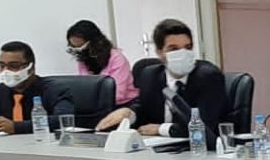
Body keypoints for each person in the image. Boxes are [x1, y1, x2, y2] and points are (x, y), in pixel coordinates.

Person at [96, 19, 226, 146]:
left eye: (187, 48)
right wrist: (129, 114)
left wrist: (161, 129)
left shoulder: (209, 76)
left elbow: (203, 127)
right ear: (159, 52)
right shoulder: (150, 75)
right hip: (158, 149)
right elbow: (143, 109)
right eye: (174, 49)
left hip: (199, 148)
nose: (183, 54)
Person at [0, 41, 74, 134]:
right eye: (2, 66)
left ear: (31, 68)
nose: (6, 71)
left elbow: (63, 120)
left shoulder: (54, 89)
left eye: (13, 66)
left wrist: (17, 127)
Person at [66, 19, 137, 105]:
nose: (79, 50)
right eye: (74, 47)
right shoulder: (84, 60)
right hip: (97, 104)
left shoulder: (116, 58)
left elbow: (118, 94)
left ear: (94, 42)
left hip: (124, 104)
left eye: (81, 46)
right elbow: (85, 87)